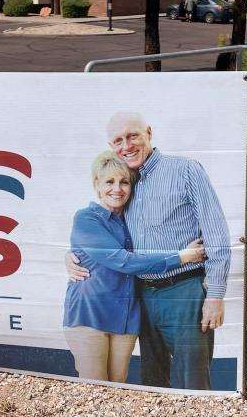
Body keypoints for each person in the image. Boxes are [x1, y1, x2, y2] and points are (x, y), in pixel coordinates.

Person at [68, 113, 231, 390]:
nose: (127, 146)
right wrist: (72, 256)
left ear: (149, 133)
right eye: (118, 141)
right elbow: (109, 242)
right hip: (140, 295)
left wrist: (215, 295)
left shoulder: (185, 170)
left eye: (132, 136)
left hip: (183, 290)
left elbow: (216, 233)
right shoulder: (125, 181)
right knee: (153, 379)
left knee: (191, 377)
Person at [63, 150, 206, 384]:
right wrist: (180, 257)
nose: (117, 189)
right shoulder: (87, 218)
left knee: (118, 387)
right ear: (97, 185)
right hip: (89, 316)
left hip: (126, 319)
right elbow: (123, 261)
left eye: (124, 182)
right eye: (109, 181)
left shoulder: (132, 221)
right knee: (95, 388)